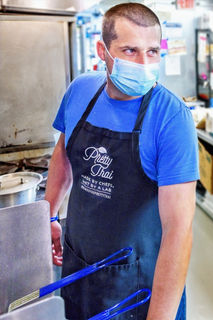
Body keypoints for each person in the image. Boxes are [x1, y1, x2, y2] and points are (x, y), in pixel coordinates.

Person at [45, 3, 199, 319]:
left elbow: (178, 231)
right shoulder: (80, 91)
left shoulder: (171, 118)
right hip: (78, 266)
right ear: (103, 51)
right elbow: (63, 158)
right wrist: (48, 215)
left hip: (137, 284)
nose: (144, 63)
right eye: (130, 51)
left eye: (153, 51)